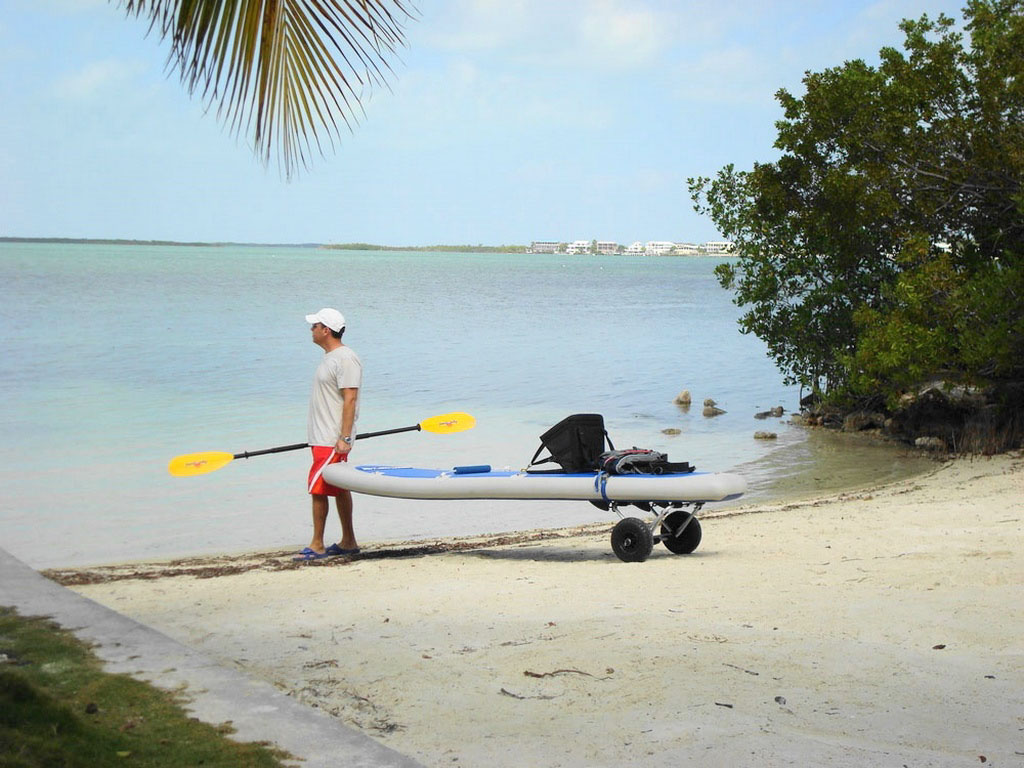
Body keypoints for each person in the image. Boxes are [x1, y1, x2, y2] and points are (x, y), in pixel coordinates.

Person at [295, 307, 363, 561]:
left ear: (326, 330)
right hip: (323, 436)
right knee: (340, 486)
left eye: (314, 326)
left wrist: (344, 437)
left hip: (331, 439)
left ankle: (317, 544)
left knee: (318, 489)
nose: (311, 330)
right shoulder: (330, 357)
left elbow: (350, 398)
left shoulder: (345, 358)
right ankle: (348, 541)